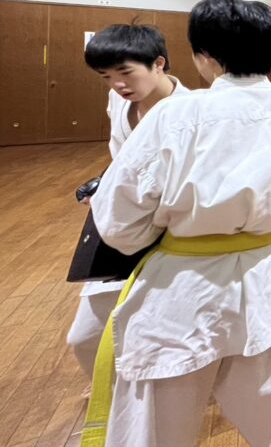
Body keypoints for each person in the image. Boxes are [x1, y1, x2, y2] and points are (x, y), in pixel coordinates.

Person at [86, 0, 271, 446]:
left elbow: (118, 222)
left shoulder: (176, 115)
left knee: (155, 432)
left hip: (184, 290)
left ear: (205, 56)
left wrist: (164, 227)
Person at [67, 24, 189, 389]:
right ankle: (113, 397)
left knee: (168, 327)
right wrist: (106, 188)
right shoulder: (119, 101)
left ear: (159, 63)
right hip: (121, 227)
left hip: (172, 234)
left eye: (125, 72)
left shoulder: (190, 109)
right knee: (85, 337)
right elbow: (123, 159)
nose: (118, 84)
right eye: (106, 76)